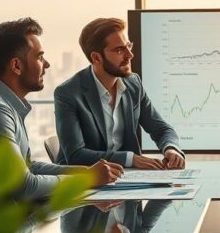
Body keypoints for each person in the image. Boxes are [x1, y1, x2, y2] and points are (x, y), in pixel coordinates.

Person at [0, 18, 123, 207]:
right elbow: (23, 186)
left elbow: (28, 168)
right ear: (16, 66)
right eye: (39, 57)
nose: (46, 65)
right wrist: (86, 179)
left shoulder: (5, 105)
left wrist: (86, 172)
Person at [54, 17, 185, 170]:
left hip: (126, 177)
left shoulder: (133, 83)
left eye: (128, 46)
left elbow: (161, 129)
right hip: (86, 180)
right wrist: (130, 159)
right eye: (119, 50)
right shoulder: (68, 93)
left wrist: (170, 148)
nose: (130, 55)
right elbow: (76, 155)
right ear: (96, 57)